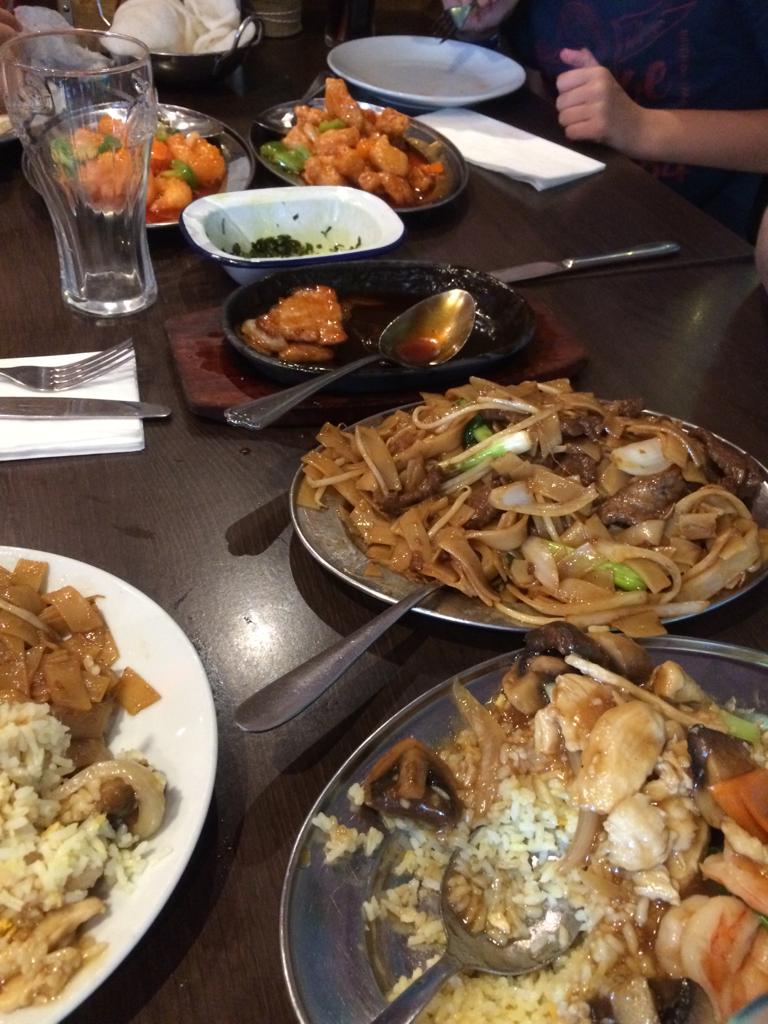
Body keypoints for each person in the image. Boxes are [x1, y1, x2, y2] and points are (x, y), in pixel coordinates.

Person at [455, 0, 768, 238]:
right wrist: (482, 30)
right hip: (561, 215)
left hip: (701, 239)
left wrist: (642, 128)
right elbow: (531, 90)